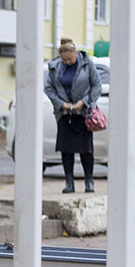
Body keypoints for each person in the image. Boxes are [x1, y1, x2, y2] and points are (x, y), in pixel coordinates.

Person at [44, 37, 100, 194]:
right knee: (66, 150)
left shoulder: (87, 64)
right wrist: (61, 104)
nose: (68, 62)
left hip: (83, 112)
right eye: (65, 60)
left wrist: (84, 102)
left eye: (70, 59)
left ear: (76, 53)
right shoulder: (55, 67)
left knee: (86, 150)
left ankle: (89, 181)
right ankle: (69, 182)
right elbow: (48, 88)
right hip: (64, 114)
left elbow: (97, 85)